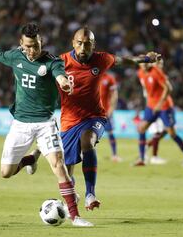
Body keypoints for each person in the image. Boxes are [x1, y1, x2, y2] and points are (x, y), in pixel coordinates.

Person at [0, 23, 93, 227]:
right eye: (29, 46)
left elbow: (61, 77)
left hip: (45, 123)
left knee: (58, 166)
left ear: (42, 42)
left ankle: (75, 216)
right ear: (21, 44)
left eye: (36, 46)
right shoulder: (15, 56)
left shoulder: (52, 62)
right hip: (20, 124)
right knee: (6, 172)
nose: (33, 50)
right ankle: (29, 159)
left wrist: (65, 83)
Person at [58, 27, 161, 211]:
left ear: (93, 45)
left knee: (87, 141)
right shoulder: (60, 62)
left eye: (87, 44)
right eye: (79, 43)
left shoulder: (102, 59)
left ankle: (91, 194)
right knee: (67, 168)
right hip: (68, 120)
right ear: (73, 43)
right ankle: (71, 199)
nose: (83, 48)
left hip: (94, 116)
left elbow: (126, 60)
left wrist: (146, 58)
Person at [135, 59, 183, 167]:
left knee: (171, 133)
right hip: (151, 106)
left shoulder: (157, 73)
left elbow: (168, 88)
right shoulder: (141, 73)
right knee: (141, 128)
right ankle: (142, 158)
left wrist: (159, 104)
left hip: (165, 106)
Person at [99, 71, 122, 162]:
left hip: (105, 111)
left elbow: (114, 95)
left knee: (110, 132)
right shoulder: (92, 75)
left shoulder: (109, 78)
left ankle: (114, 155)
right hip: (93, 111)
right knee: (88, 133)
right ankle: (86, 154)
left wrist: (111, 109)